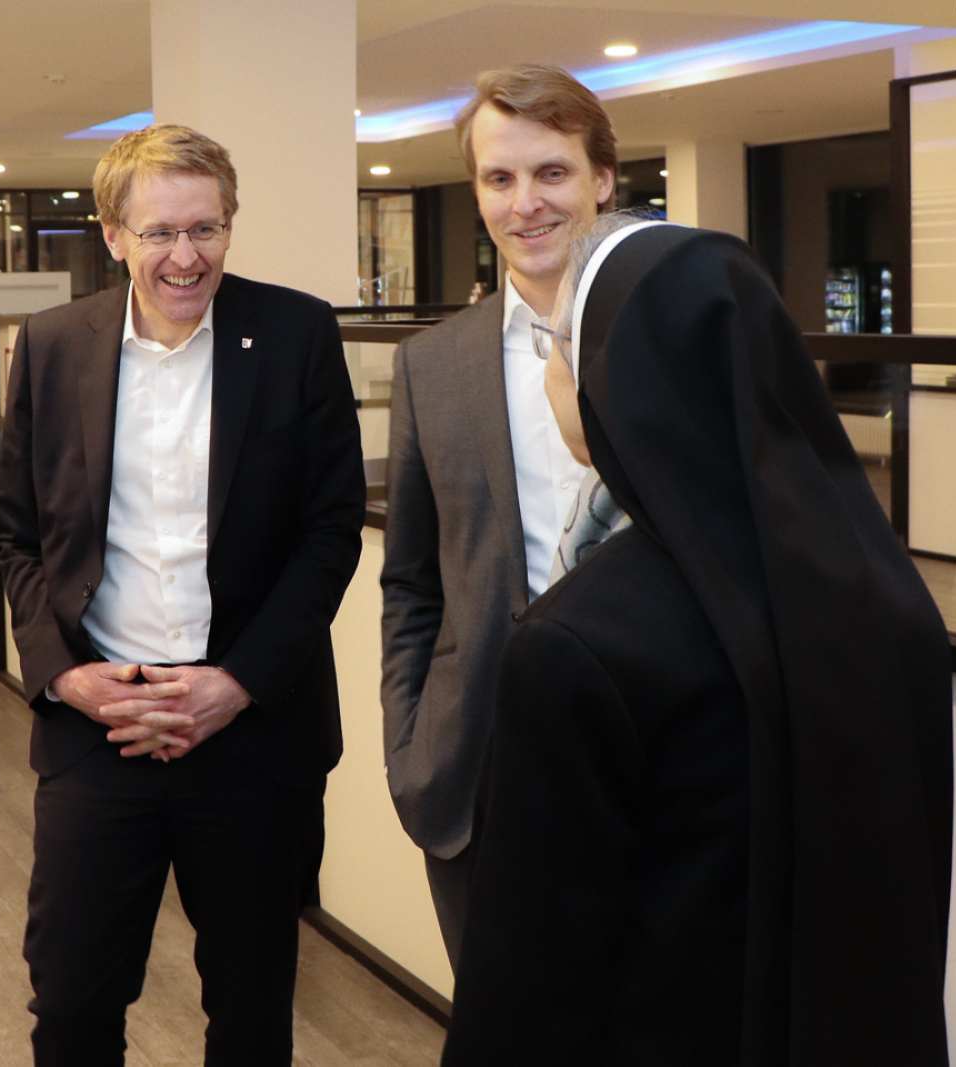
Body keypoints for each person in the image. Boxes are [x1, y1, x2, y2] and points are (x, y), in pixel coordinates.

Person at [442, 218, 953, 1065]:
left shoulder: (578, 645)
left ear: (621, 378)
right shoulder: (894, 601)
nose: (550, 378)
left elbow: (528, 996)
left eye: (558, 350)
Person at [0, 123, 366, 1065]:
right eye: (160, 233)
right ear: (113, 234)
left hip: (250, 734)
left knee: (250, 1012)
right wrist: (66, 678)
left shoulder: (295, 334)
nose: (185, 256)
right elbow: (16, 537)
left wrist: (235, 682)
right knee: (72, 1004)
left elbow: (329, 533)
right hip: (97, 725)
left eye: (207, 229)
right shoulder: (49, 346)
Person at [378, 62, 618, 965]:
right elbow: (410, 580)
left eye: (551, 173)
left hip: (655, 763)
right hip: (476, 776)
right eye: (499, 178)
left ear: (600, 178)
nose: (526, 204)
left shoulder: (682, 344)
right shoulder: (431, 366)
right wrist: (411, 746)